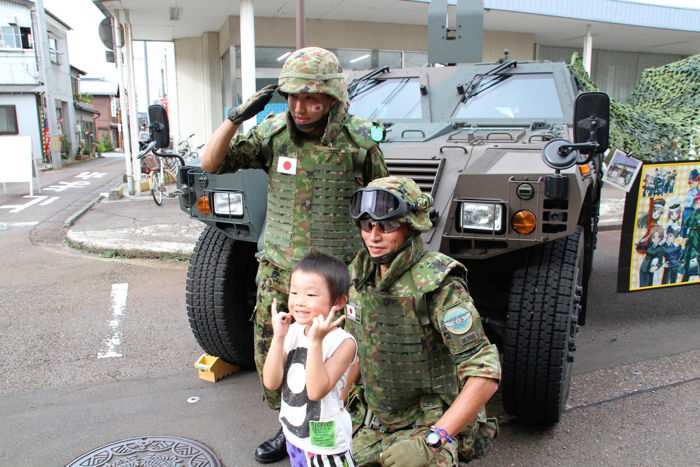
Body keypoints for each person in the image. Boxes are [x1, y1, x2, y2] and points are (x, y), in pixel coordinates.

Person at [200, 46, 388, 463]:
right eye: (293, 97)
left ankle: (333, 432)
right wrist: (235, 119)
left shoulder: (358, 142)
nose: (300, 108)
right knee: (277, 356)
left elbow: (381, 205)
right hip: (282, 273)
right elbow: (210, 163)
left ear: (332, 100)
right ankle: (288, 430)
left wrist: (380, 266)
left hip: (338, 280)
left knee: (337, 358)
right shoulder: (272, 135)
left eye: (312, 98)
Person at [344, 176, 501, 466]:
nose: (373, 236)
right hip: (372, 420)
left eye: (387, 225)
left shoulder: (438, 285)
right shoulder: (361, 275)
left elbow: (484, 373)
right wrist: (329, 410)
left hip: (426, 423)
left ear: (411, 225)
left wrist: (434, 439)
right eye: (367, 225)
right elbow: (354, 350)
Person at [263, 251, 358, 467]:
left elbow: (316, 391)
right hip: (294, 435)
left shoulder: (344, 343)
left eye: (311, 295)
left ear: (339, 301)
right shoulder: (293, 331)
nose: (299, 302)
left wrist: (315, 343)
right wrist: (278, 337)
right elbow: (271, 382)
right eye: (294, 292)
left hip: (325, 443)